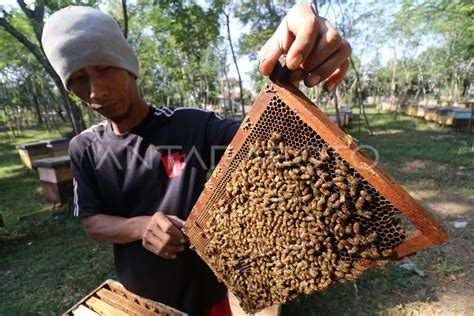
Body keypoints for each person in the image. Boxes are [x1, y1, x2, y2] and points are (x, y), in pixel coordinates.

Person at [41, 4, 351, 315]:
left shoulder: (189, 125)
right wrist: (140, 226)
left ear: (129, 65)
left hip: (206, 296)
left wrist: (289, 73)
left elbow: (268, 139)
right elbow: (93, 222)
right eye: (79, 79)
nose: (97, 91)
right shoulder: (84, 147)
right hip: (137, 299)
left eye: (105, 68)